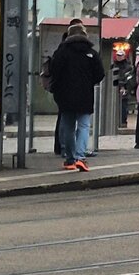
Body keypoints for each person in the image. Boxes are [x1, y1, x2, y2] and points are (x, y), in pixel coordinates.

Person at [46, 21, 105, 171]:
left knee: (68, 127)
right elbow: (100, 74)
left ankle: (70, 159)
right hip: (85, 94)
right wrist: (88, 82)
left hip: (65, 95)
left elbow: (54, 71)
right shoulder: (91, 53)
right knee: (84, 126)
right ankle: (80, 157)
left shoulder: (61, 52)